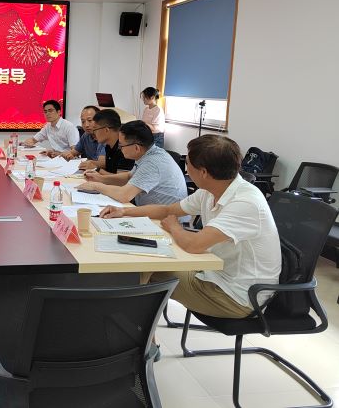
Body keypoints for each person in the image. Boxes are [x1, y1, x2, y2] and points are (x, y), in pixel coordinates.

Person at [100, 134, 282, 320]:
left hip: (238, 297)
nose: (186, 169)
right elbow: (167, 210)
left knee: (142, 275)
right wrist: (124, 211)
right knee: (144, 268)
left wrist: (174, 227)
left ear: (203, 172)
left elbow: (193, 245)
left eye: (187, 163)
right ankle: (140, 331)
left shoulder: (246, 202)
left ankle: (139, 334)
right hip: (213, 274)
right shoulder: (211, 190)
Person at [77, 120, 187, 205]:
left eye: (121, 145)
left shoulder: (152, 163)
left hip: (166, 221)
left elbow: (124, 195)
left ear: (136, 148)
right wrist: (101, 178)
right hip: (151, 212)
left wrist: (95, 186)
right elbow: (129, 177)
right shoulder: (149, 153)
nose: (120, 149)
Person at [61, 105, 105, 169]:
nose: (86, 125)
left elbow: (102, 163)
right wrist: (68, 154)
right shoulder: (86, 135)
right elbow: (74, 152)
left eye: (90, 120)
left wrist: (90, 163)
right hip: (91, 171)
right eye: (83, 121)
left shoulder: (106, 135)